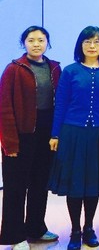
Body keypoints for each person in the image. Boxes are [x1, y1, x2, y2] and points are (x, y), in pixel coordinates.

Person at [48, 26, 99, 250]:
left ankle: (89, 228)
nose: (92, 46)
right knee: (75, 185)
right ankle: (75, 231)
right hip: (73, 133)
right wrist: (55, 134)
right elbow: (60, 104)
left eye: (96, 42)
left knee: (92, 184)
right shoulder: (70, 71)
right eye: (87, 41)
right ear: (80, 45)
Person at [0, 26, 61, 250]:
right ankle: (15, 236)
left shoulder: (55, 68)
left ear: (47, 43)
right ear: (24, 43)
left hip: (46, 134)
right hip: (20, 136)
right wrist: (9, 143)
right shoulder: (14, 69)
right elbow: (4, 107)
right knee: (15, 187)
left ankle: (36, 228)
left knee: (40, 184)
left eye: (41, 40)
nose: (36, 44)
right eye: (31, 40)